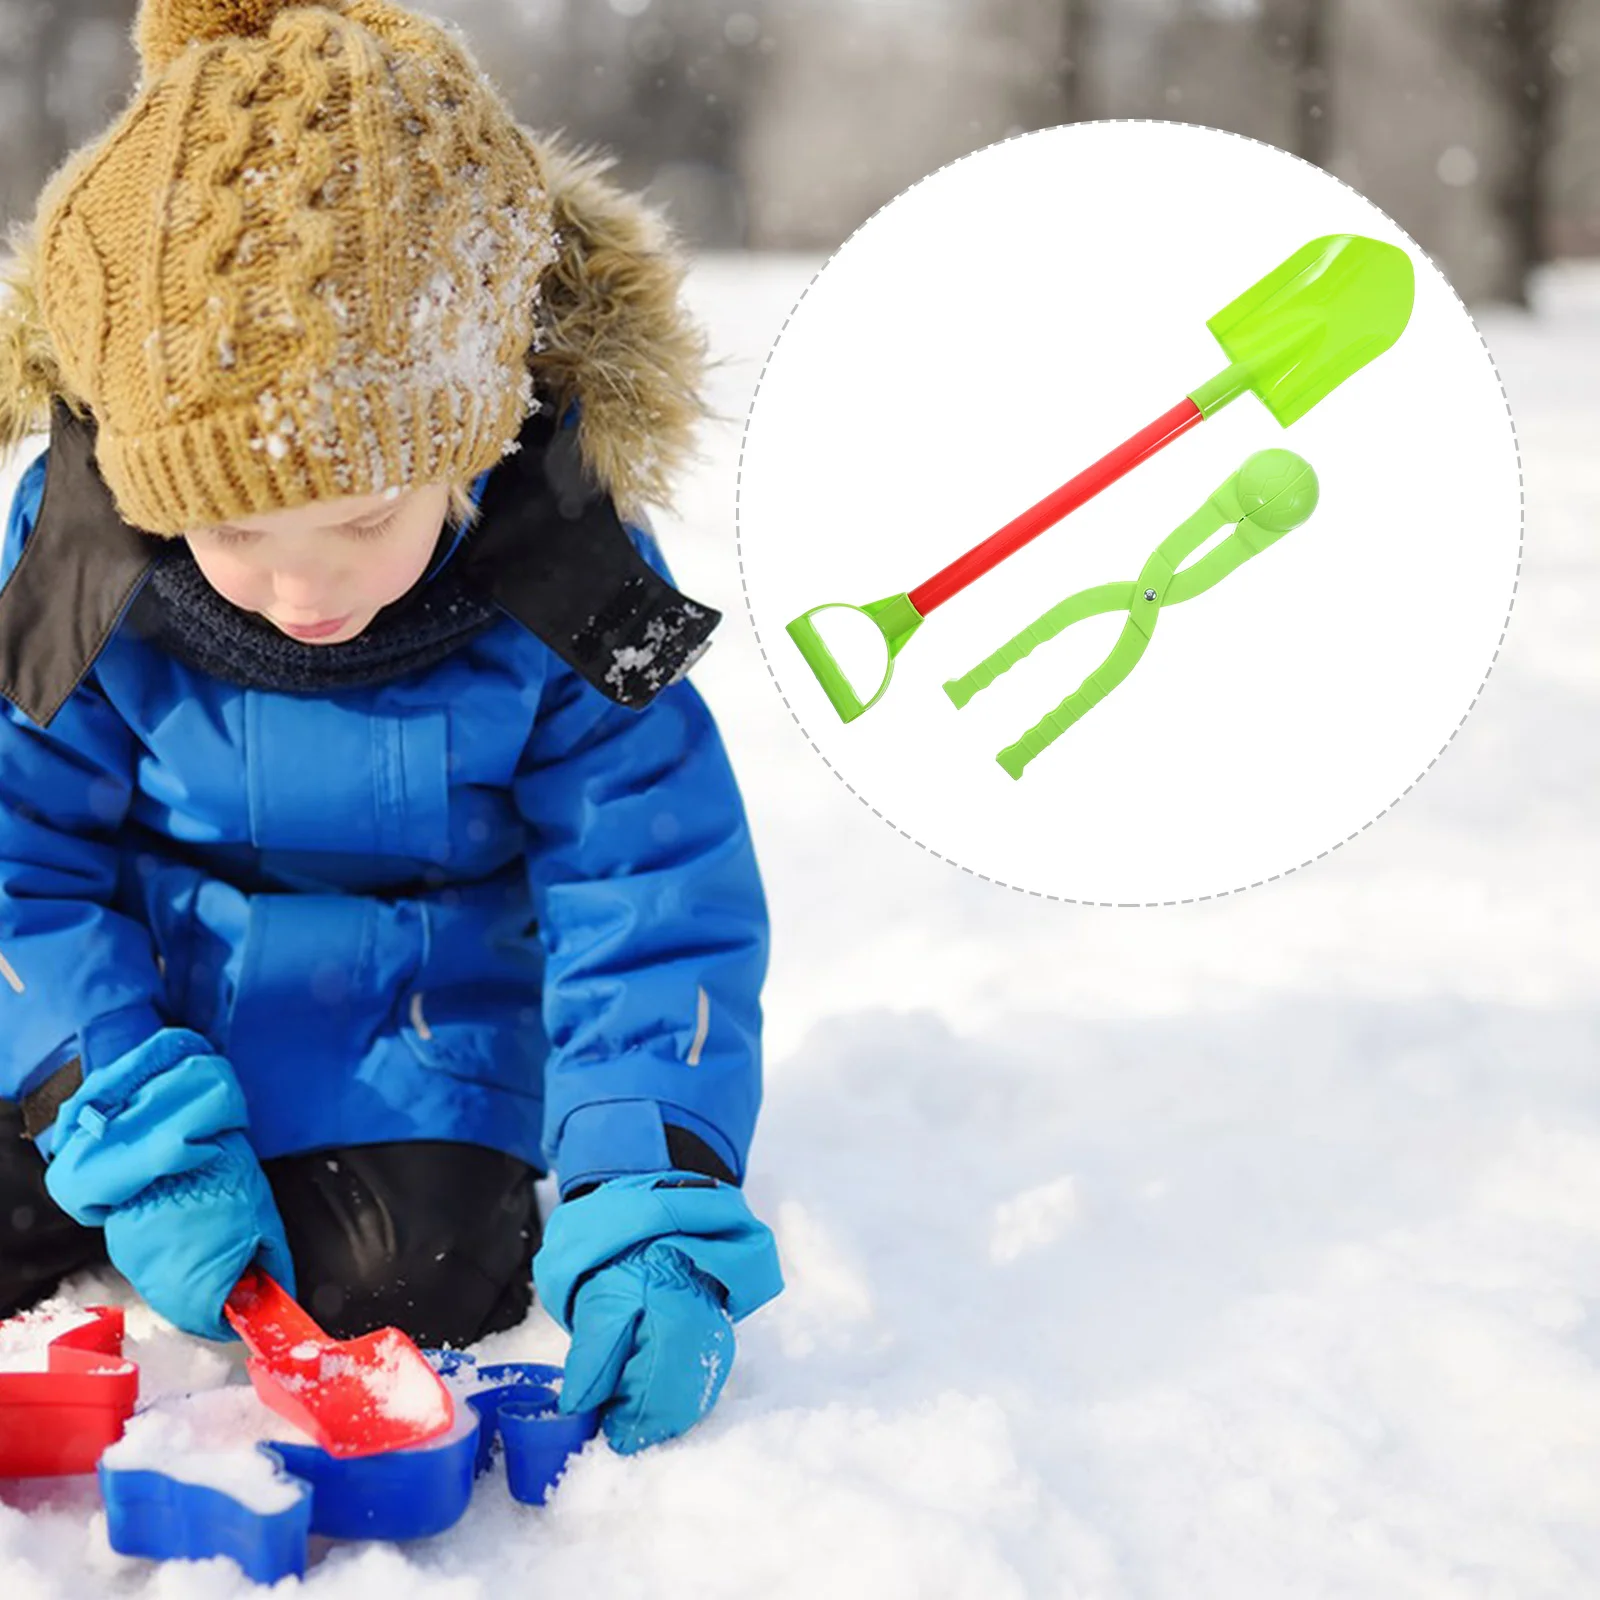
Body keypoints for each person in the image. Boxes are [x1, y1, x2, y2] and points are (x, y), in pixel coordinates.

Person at [0, 0, 782, 1455]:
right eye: (234, 529)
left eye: (362, 518)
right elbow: (11, 857)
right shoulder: (83, 563)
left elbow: (649, 898)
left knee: (398, 1270)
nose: (306, 585)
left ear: (472, 440)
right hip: (126, 1015)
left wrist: (645, 1192)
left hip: (410, 1025)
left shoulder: (569, 574)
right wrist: (107, 1095)